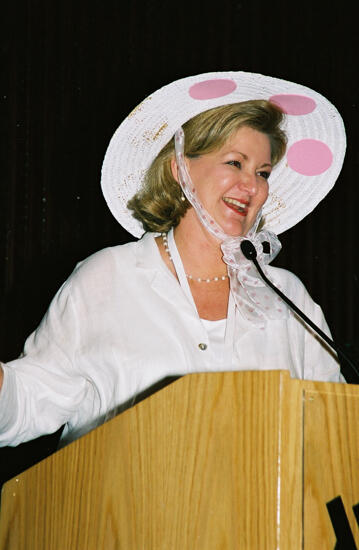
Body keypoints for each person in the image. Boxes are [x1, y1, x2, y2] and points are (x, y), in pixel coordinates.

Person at [0, 71, 346, 448]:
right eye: (235, 163)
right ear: (180, 169)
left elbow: (335, 426)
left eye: (262, 172)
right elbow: (29, 402)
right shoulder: (109, 278)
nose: (252, 186)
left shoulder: (286, 295)